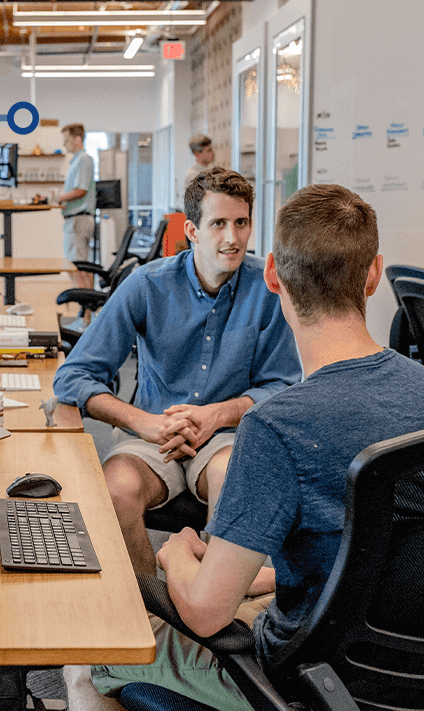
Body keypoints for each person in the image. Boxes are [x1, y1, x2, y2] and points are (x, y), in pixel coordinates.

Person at [64, 184, 424, 711]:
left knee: (83, 660)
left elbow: (207, 614)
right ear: (374, 273)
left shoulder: (278, 427)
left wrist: (178, 556)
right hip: (422, 672)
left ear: (273, 275)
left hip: (302, 679)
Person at [53, 167, 301, 577]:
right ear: (192, 230)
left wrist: (217, 415)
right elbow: (74, 376)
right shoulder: (146, 286)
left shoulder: (269, 289)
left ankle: (209, 605)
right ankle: (150, 606)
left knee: (233, 483)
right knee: (115, 491)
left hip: (226, 436)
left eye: (242, 223)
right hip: (153, 434)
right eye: (218, 224)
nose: (232, 238)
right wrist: (142, 422)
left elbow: (284, 386)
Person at [58, 123, 97, 291]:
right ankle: (87, 312)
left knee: (79, 268)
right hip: (74, 220)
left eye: (67, 140)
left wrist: (58, 198)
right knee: (78, 267)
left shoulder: (84, 159)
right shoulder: (75, 161)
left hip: (79, 220)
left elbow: (81, 190)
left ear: (77, 139)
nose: (64, 145)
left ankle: (87, 314)